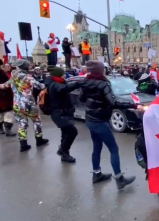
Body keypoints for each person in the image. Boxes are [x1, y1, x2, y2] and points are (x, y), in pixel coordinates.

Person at [80, 60, 136, 188]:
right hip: (100, 121)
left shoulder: (86, 82)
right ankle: (119, 178)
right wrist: (132, 104)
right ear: (100, 70)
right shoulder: (103, 83)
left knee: (97, 147)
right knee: (113, 149)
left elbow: (81, 99)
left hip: (90, 119)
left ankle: (96, 173)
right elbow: (113, 102)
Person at [0, 59, 48, 152]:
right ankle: (39, 140)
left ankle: (23, 145)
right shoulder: (27, 77)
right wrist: (47, 84)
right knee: (36, 121)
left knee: (22, 123)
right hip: (28, 103)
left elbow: (4, 86)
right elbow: (40, 86)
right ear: (26, 67)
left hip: (17, 103)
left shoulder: (13, 76)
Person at [44, 66, 81, 163]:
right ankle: (63, 151)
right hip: (58, 113)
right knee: (72, 132)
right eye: (63, 74)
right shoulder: (54, 84)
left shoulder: (58, 82)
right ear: (58, 75)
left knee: (65, 133)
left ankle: (64, 153)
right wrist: (79, 83)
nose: (65, 75)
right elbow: (64, 89)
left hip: (64, 112)